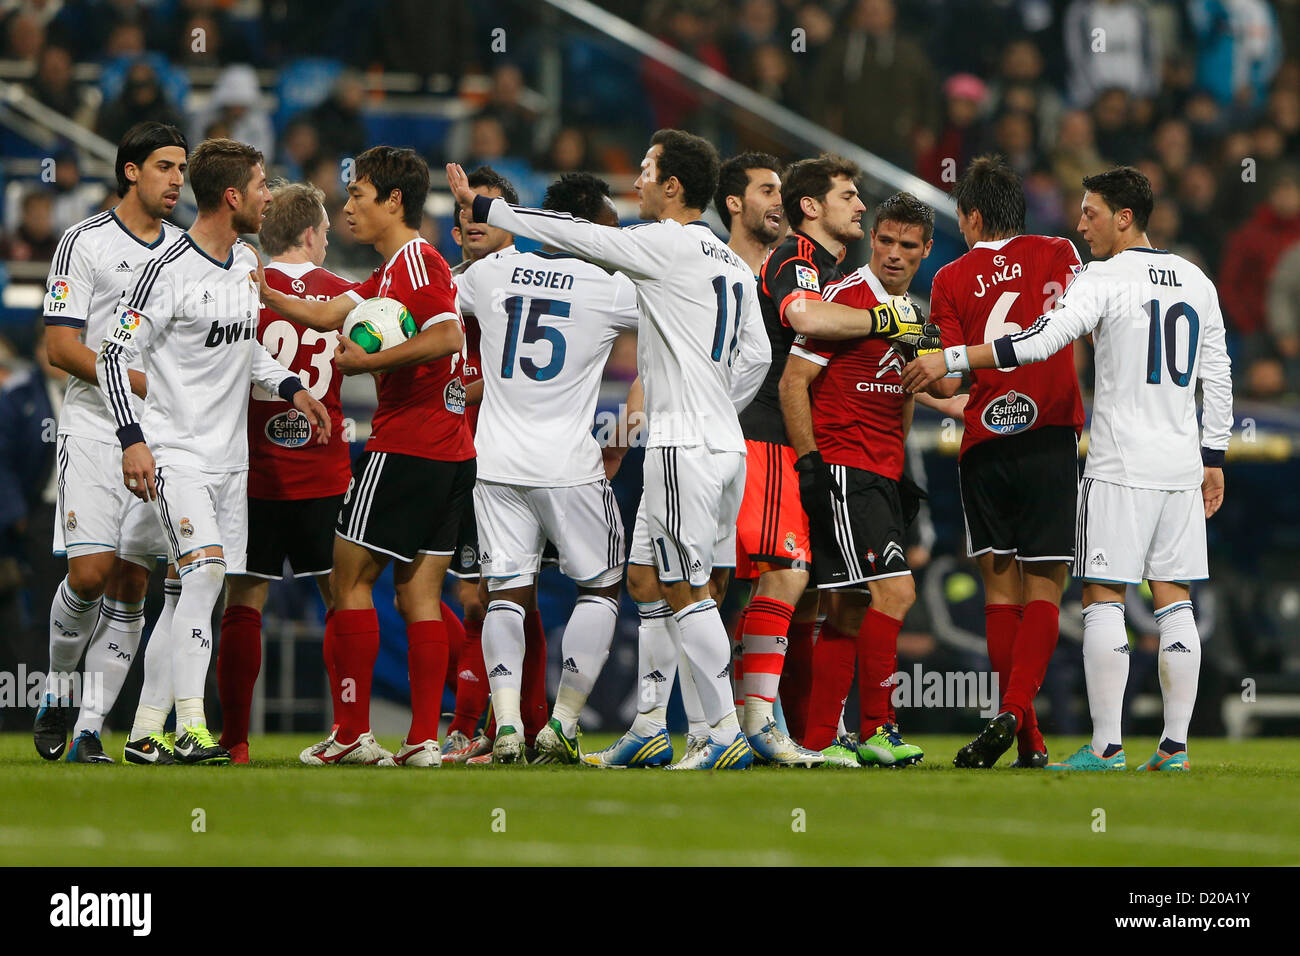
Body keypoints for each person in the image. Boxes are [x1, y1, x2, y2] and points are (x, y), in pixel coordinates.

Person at [448, 128, 771, 770]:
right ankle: (651, 725)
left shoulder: (662, 243)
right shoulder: (732, 262)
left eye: (647, 170)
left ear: (673, 187)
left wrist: (491, 211)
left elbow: (583, 236)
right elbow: (757, 355)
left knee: (686, 589)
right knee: (647, 578)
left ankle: (721, 733)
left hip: (681, 444)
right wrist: (713, 402)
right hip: (715, 441)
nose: (637, 181)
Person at [902, 166, 1233, 772]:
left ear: (1123, 217)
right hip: (1182, 462)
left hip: (1118, 459)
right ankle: (1175, 748)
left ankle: (1106, 747)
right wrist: (1213, 457)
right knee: (1175, 601)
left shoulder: (1104, 278)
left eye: (1091, 211)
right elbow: (1220, 373)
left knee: (1104, 596)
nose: (1081, 223)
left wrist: (950, 355)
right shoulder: (1197, 280)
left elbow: (1037, 341)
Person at [97, 138, 330, 766]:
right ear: (232, 196)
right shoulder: (167, 269)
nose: (268, 196)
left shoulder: (246, 261)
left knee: (196, 592)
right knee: (200, 577)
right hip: (175, 454)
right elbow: (115, 356)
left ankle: (147, 732)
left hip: (231, 462)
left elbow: (245, 347)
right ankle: (193, 726)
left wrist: (291, 387)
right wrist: (132, 439)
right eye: (260, 186)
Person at [259, 146, 473, 768]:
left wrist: (368, 363)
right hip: (451, 450)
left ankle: (352, 733)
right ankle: (424, 741)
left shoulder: (420, 260)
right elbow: (327, 312)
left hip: (406, 444)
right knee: (420, 598)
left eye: (358, 194)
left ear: (394, 201)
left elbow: (448, 335)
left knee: (347, 578)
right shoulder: (388, 275)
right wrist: (263, 288)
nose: (346, 205)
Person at [456, 172, 637, 764]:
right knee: (603, 585)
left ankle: (506, 724)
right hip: (568, 463)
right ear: (587, 227)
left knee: (505, 592)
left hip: (497, 460)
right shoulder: (610, 288)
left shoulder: (490, 272)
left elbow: (429, 304)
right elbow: (676, 329)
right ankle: (561, 724)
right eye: (609, 227)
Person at [921, 156, 1087, 769]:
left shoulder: (948, 278)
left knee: (999, 589)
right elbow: (1084, 329)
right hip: (1047, 435)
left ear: (970, 216)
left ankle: (1026, 737)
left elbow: (942, 379)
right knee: (1046, 584)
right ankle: (1017, 714)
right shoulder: (1061, 254)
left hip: (984, 444)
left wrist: (908, 373)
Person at [33, 122, 188, 765]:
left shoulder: (186, 252)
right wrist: (135, 378)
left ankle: (91, 729)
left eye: (182, 169)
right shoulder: (84, 242)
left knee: (131, 583)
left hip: (164, 437)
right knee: (90, 574)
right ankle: (59, 686)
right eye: (164, 167)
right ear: (130, 171)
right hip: (95, 427)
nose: (177, 180)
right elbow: (60, 347)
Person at [780, 191, 938, 768]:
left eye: (908, 246)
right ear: (872, 238)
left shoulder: (914, 314)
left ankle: (821, 736)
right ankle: (878, 727)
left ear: (925, 251)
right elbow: (794, 382)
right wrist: (810, 463)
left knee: (846, 607)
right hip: (845, 468)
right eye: (886, 241)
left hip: (882, 472)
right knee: (896, 592)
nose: (895, 254)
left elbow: (930, 387)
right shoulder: (844, 300)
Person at [212, 181, 354, 765]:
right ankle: (350, 729)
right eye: (324, 228)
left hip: (252, 470)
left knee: (243, 600)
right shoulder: (343, 293)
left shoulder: (242, 287)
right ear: (310, 232)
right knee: (344, 599)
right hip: (323, 470)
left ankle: (236, 739)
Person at [440, 166, 551, 764]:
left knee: (513, 595)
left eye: (486, 212)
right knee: (480, 598)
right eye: (465, 216)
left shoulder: (534, 286)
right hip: (467, 456)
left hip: (522, 455)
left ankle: (515, 726)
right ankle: (489, 726)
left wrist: (472, 387)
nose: (474, 222)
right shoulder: (450, 289)